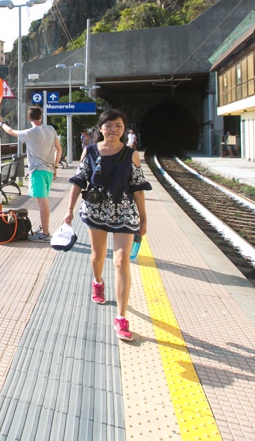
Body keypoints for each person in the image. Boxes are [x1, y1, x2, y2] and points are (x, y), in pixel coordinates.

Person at [63, 110, 151, 342]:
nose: (113, 130)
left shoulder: (131, 155)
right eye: (108, 125)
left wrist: (143, 218)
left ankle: (121, 318)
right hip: (96, 210)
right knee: (98, 256)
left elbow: (137, 188)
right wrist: (69, 210)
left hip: (124, 211)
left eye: (118, 126)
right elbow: (78, 181)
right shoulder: (89, 151)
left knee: (121, 261)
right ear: (100, 128)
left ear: (124, 129)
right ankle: (98, 282)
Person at [0, 105, 63, 241]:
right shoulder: (51, 129)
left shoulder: (29, 133)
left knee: (42, 203)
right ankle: (43, 228)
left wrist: (1, 122)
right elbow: (59, 150)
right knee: (43, 201)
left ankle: (45, 233)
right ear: (41, 116)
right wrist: (55, 166)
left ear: (28, 118)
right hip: (49, 171)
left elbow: (10, 131)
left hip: (37, 171)